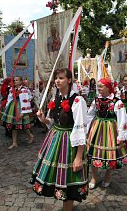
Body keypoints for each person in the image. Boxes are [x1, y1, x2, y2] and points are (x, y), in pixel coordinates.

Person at [30, 68, 89, 211]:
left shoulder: (77, 100)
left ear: (69, 80)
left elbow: (81, 130)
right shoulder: (54, 98)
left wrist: (78, 157)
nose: (57, 80)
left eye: (61, 78)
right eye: (56, 78)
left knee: (69, 178)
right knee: (57, 176)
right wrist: (42, 118)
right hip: (55, 138)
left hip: (70, 142)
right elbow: (52, 121)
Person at [87, 78, 127, 189]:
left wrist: (121, 135)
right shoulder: (96, 100)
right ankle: (94, 177)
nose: (98, 88)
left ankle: (108, 176)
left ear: (108, 88)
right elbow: (89, 115)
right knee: (93, 154)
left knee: (111, 154)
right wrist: (86, 129)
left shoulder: (117, 102)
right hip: (97, 128)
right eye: (98, 86)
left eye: (101, 86)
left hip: (110, 129)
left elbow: (122, 119)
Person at [1, 76, 34, 149]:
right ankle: (14, 142)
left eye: (16, 80)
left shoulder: (23, 90)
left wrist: (23, 112)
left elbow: (26, 100)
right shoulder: (12, 89)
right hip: (12, 107)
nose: (15, 81)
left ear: (21, 81)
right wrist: (7, 107)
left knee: (24, 125)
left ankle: (30, 136)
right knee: (13, 126)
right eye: (14, 80)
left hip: (21, 107)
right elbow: (10, 98)